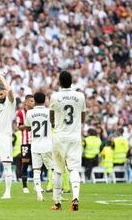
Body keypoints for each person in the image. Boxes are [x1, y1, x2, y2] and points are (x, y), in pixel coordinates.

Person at [50, 71, 86, 211]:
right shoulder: (80, 96)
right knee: (74, 168)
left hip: (59, 136)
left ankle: (58, 203)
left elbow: (51, 117)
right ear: (72, 81)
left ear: (59, 82)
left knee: (58, 170)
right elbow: (82, 118)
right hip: (74, 136)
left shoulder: (55, 96)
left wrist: (57, 125)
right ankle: (75, 197)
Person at [25, 92, 53, 201]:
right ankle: (57, 194)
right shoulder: (50, 112)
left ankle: (39, 192)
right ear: (45, 100)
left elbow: (28, 127)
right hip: (48, 144)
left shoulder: (29, 113)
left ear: (34, 101)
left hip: (35, 144)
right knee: (53, 169)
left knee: (36, 170)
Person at [16, 94, 35, 193]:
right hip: (25, 142)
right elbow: (18, 127)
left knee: (36, 164)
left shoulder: (36, 112)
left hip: (36, 141)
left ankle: (37, 185)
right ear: (26, 102)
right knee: (25, 163)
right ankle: (24, 186)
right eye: (31, 101)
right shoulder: (21, 113)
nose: (33, 103)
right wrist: (27, 126)